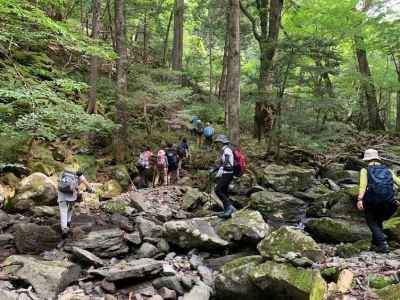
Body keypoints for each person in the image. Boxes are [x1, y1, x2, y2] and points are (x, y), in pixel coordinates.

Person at [357, 149, 400, 253]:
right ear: (377, 158)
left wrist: (359, 200)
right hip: (388, 201)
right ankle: (375, 244)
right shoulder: (388, 170)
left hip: (372, 201)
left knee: (371, 220)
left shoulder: (365, 170)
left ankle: (382, 244)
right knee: (378, 220)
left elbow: (362, 187)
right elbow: (399, 182)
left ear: (367, 159)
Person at [58, 163, 94, 237]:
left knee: (63, 210)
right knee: (70, 209)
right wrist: (91, 190)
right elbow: (87, 184)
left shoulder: (64, 172)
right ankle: (68, 223)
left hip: (61, 195)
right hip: (71, 196)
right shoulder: (78, 174)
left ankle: (64, 229)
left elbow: (59, 182)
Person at [212, 134, 236, 219]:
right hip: (228, 173)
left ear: (222, 142)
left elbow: (225, 163)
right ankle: (227, 210)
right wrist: (214, 170)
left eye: (218, 142)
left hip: (227, 173)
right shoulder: (226, 150)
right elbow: (223, 164)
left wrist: (218, 174)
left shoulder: (227, 151)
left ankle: (230, 208)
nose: (217, 144)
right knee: (224, 191)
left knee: (217, 190)